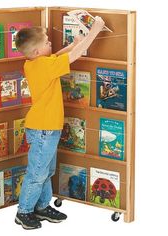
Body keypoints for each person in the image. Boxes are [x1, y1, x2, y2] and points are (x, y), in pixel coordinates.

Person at [14, 16, 105, 230]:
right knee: (37, 173)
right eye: (46, 42)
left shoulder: (34, 63)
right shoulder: (45, 67)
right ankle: (24, 211)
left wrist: (73, 43)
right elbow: (72, 57)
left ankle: (42, 206)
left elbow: (57, 56)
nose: (50, 43)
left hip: (46, 128)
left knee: (45, 171)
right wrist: (95, 31)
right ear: (37, 52)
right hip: (44, 129)